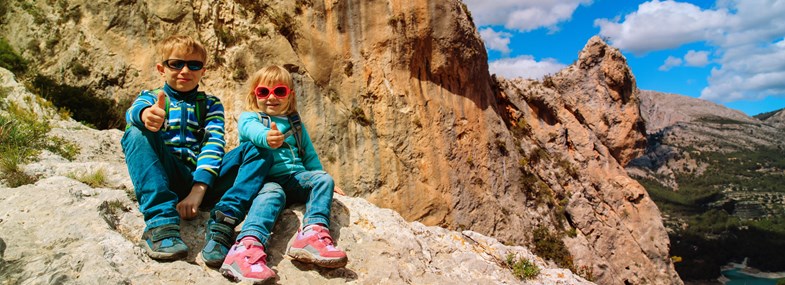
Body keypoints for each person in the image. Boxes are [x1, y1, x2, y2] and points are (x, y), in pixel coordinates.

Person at [121, 35, 272, 267]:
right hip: (166, 177)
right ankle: (161, 224)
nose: (184, 70)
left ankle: (224, 219)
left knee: (258, 149)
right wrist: (144, 116)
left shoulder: (210, 104)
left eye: (193, 65)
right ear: (162, 69)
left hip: (205, 182)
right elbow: (133, 112)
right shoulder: (151, 98)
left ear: (203, 71)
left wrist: (197, 191)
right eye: (176, 63)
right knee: (135, 133)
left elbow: (213, 144)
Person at [219, 65, 347, 283]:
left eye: (279, 91)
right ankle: (246, 248)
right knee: (272, 195)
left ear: (290, 95)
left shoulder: (295, 123)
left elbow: (309, 156)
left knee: (323, 179)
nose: (271, 97)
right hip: (265, 180)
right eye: (263, 92)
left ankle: (312, 235)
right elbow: (251, 131)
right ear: (254, 95)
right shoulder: (251, 118)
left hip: (295, 177)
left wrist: (320, 176)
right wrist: (267, 137)